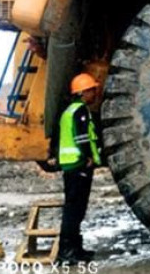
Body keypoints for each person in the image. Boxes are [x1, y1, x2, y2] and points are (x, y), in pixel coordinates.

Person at [56, 72, 102, 264]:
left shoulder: (69, 111)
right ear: (83, 93)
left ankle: (75, 249)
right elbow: (82, 137)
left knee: (74, 209)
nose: (94, 94)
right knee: (74, 210)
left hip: (71, 165)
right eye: (91, 90)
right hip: (78, 164)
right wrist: (89, 156)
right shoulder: (80, 111)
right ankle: (67, 251)